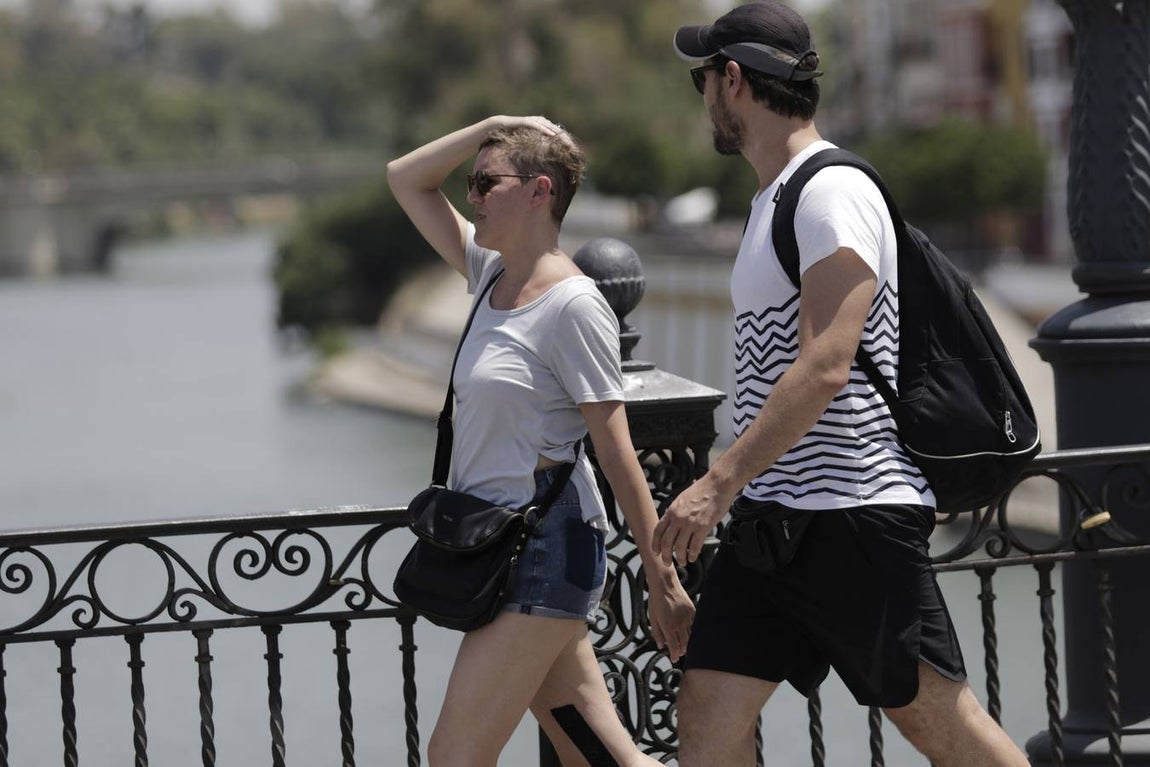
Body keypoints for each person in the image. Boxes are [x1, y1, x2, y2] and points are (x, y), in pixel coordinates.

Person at [652, 3, 1032, 765]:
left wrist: (717, 482)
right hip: (774, 521)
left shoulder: (829, 192)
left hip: (852, 514)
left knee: (937, 723)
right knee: (706, 712)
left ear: (733, 81)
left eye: (705, 79)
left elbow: (827, 361)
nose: (703, 99)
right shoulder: (773, 198)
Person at [387, 116, 695, 767]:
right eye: (471, 183)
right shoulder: (488, 274)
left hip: (542, 548)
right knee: (600, 755)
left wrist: (660, 578)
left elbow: (616, 451)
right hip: (506, 545)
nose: (471, 195)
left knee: (454, 757)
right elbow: (405, 180)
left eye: (485, 181)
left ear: (539, 191)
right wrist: (490, 127)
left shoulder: (573, 305)